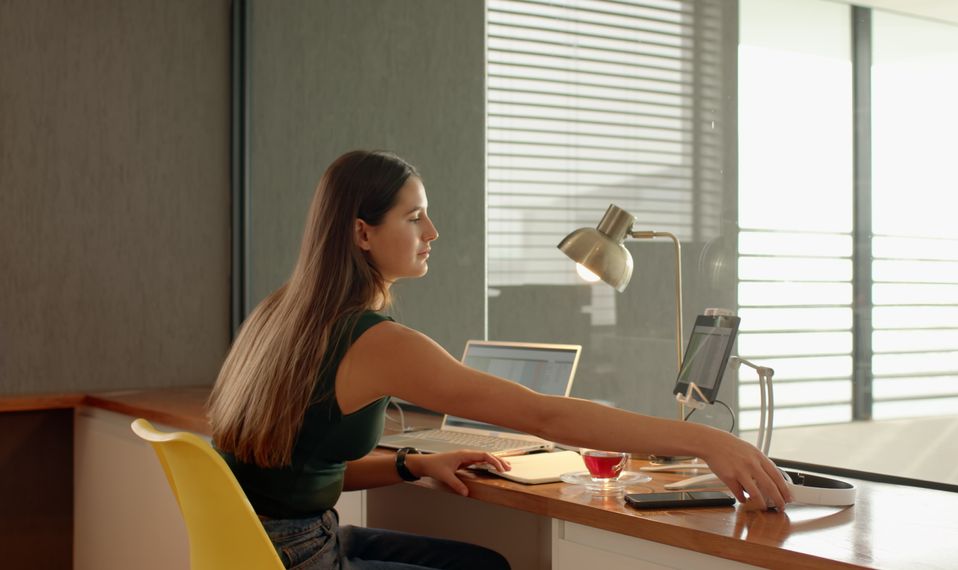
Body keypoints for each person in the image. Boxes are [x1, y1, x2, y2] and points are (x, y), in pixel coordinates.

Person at [208, 150, 790, 570]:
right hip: (302, 555)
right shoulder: (376, 341)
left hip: (263, 546)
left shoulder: (279, 315)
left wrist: (410, 464)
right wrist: (710, 442)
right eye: (414, 218)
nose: (432, 231)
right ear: (363, 234)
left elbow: (292, 470)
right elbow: (547, 419)